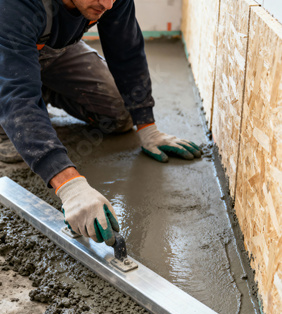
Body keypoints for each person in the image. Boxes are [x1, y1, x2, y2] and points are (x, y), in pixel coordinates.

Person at [0, 0, 202, 246]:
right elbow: (17, 96)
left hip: (49, 49)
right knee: (16, 134)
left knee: (118, 114)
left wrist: (148, 127)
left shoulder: (109, 0)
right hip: (6, 50)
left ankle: (41, 89)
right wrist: (69, 185)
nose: (107, 3)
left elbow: (126, 51)